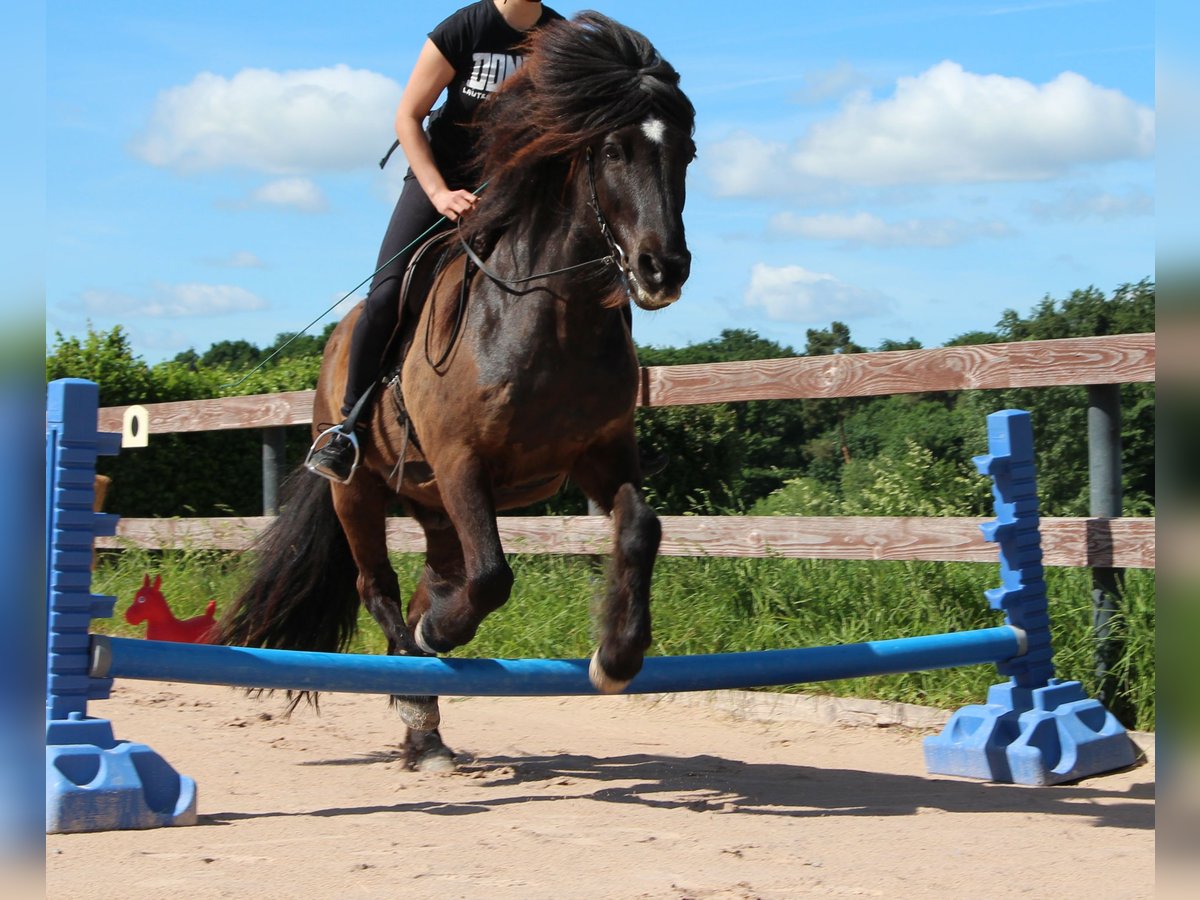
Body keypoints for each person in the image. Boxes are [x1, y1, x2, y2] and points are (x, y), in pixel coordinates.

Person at [308, 0, 564, 483]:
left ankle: (612, 426)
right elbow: (408, 116)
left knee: (592, 274)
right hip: (441, 180)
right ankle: (348, 428)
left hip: (515, 189)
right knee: (385, 296)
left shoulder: (559, 36)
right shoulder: (462, 29)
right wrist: (439, 192)